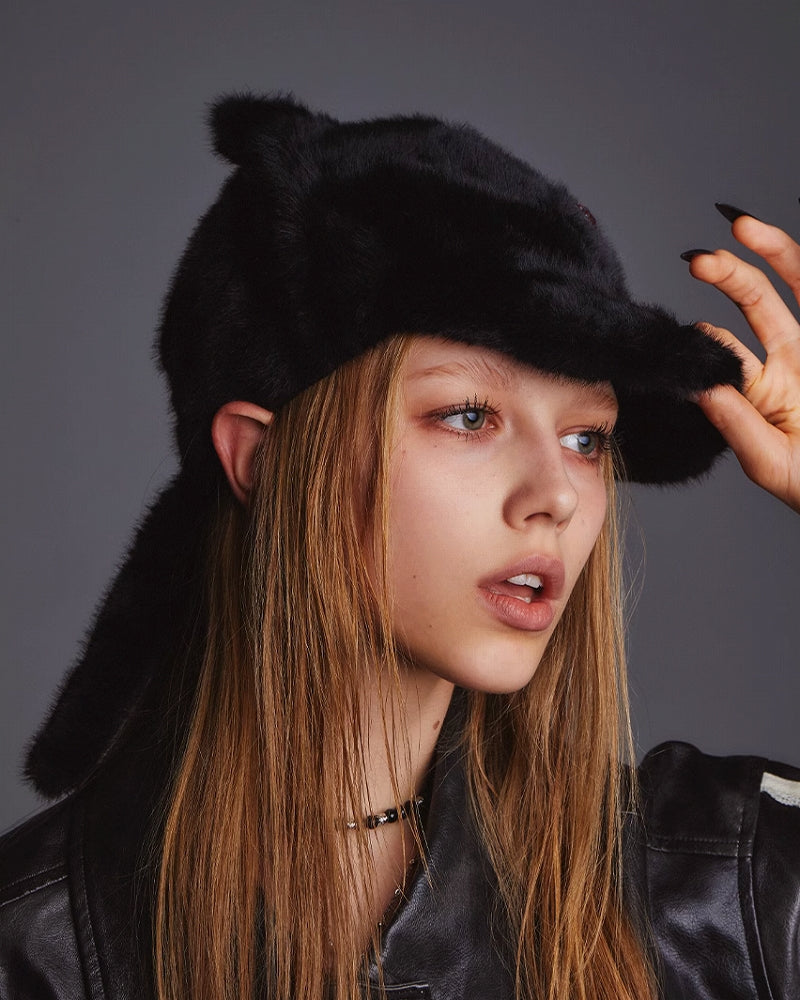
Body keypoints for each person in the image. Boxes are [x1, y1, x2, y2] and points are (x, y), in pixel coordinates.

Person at [0, 94, 798, 1000]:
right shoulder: (36, 950)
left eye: (587, 438)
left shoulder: (730, 888)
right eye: (469, 416)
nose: (556, 498)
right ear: (261, 461)